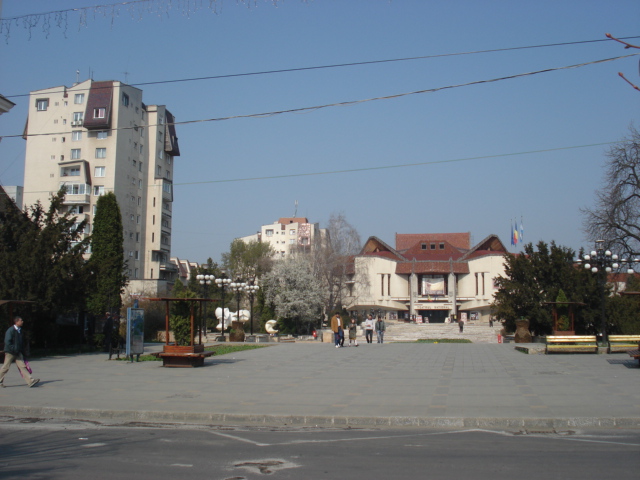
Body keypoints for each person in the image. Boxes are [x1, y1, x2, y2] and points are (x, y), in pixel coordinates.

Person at [0, 316, 39, 388]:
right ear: (16, 322)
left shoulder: (20, 330)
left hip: (18, 352)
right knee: (6, 367)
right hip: (10, 352)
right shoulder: (11, 330)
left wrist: (21, 351)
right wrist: (14, 349)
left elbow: (20, 342)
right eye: (21, 320)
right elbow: (7, 342)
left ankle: (30, 381)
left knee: (23, 366)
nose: (22, 321)